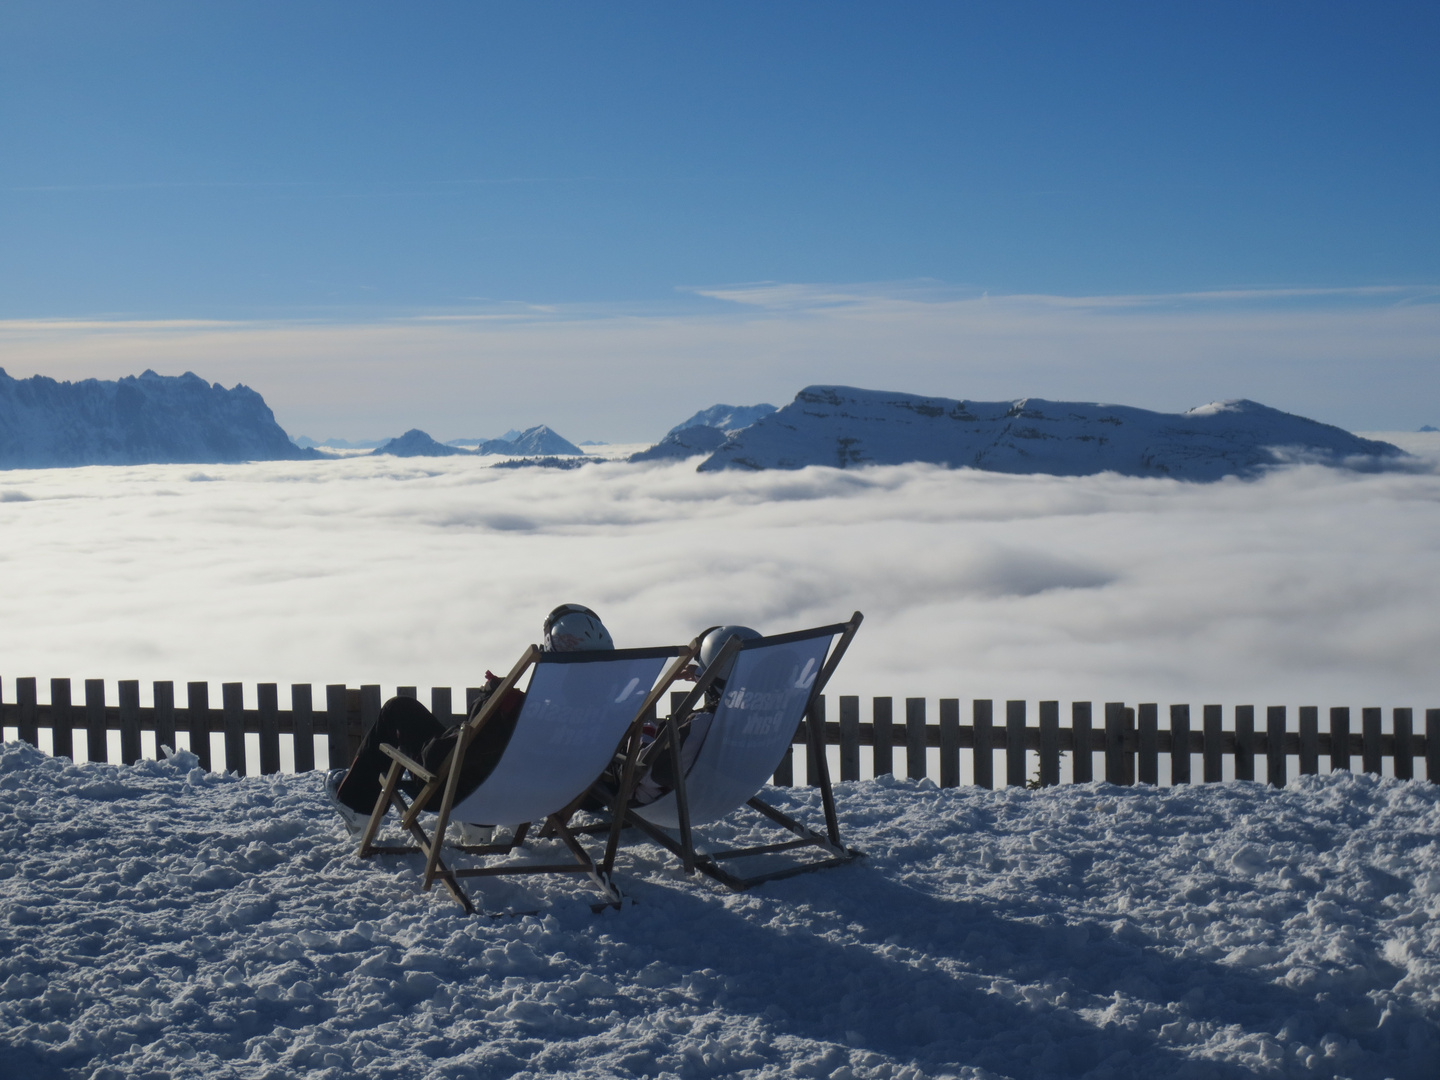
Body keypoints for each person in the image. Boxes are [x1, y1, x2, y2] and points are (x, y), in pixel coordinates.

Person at [323, 604, 615, 833]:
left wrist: (491, 699)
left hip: (466, 795)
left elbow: (438, 759)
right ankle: (477, 827)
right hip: (546, 798)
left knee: (398, 709)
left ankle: (355, 804)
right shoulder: (606, 715)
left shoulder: (517, 709)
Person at [622, 624, 762, 807]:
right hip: (733, 790)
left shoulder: (703, 724)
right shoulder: (763, 716)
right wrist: (700, 674)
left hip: (656, 799)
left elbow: (653, 775)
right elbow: (732, 685)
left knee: (635, 735)